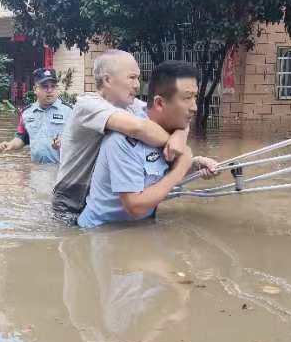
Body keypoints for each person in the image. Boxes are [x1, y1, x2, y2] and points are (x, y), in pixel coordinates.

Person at [77, 61, 217, 229]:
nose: (195, 107)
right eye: (187, 98)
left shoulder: (172, 128)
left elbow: (155, 175)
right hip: (101, 232)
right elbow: (135, 206)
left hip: (140, 228)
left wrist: (193, 166)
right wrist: (180, 170)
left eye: (195, 97)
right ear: (159, 103)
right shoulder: (122, 140)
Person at [52, 50, 189, 219]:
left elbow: (175, 116)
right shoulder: (87, 105)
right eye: (131, 77)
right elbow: (140, 129)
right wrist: (176, 146)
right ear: (108, 80)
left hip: (102, 195)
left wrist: (180, 135)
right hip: (72, 197)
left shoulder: (131, 106)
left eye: (138, 78)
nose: (138, 85)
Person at [0, 68, 72, 164]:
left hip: (62, 169)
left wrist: (64, 141)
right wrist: (10, 144)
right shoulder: (26, 113)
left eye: (53, 86)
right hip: (37, 170)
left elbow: (80, 139)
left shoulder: (69, 111)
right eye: (45, 86)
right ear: (35, 89)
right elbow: (22, 138)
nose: (49, 90)